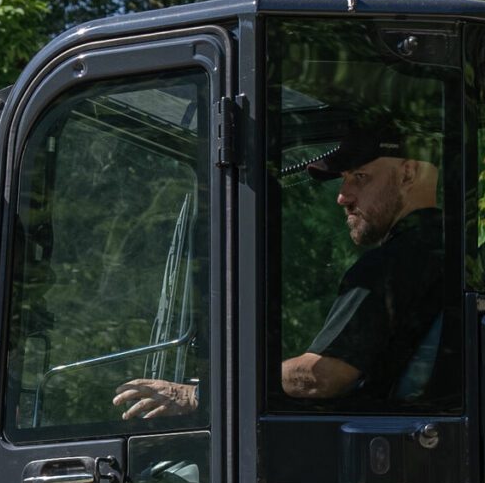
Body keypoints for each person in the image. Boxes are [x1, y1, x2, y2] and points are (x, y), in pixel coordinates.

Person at [114, 120, 446, 418]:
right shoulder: (451, 255)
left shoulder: (387, 267)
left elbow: (322, 377)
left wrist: (200, 394)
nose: (342, 197)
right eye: (344, 180)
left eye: (360, 177)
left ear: (408, 173)